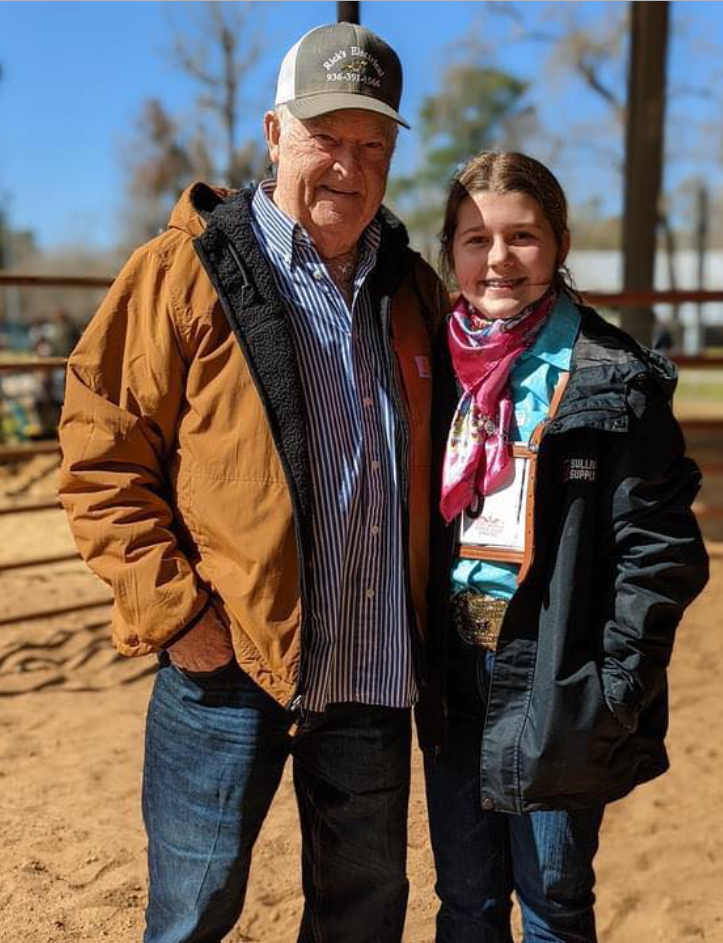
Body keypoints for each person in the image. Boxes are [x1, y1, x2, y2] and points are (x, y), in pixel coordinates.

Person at [58, 23, 448, 943]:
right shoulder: (183, 273)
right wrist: (179, 619)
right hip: (226, 668)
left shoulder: (412, 291)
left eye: (372, 145)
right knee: (192, 914)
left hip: (371, 671)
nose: (348, 166)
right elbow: (98, 455)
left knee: (363, 918)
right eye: (326, 137)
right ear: (274, 134)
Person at [418, 152, 709, 943]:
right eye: (476, 238)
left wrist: (615, 685)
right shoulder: (428, 368)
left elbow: (660, 552)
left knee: (553, 901)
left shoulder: (615, 376)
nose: (498, 259)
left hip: (558, 669)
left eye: (523, 236)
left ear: (559, 242)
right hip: (453, 666)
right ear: (450, 251)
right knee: (465, 899)